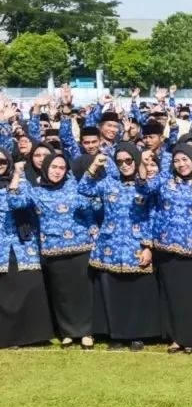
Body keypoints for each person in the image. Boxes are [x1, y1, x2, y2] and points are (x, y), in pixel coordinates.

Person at [77, 145, 161, 351]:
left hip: (136, 244)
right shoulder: (107, 183)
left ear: (135, 160)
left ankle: (137, 335)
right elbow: (84, 189)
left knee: (136, 292)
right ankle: (115, 334)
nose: (124, 165)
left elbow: (152, 216)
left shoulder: (146, 185)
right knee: (111, 290)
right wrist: (94, 166)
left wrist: (148, 246)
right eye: (120, 161)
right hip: (110, 245)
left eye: (128, 160)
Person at [8, 153, 96, 350]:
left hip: (81, 246)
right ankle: (67, 332)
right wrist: (17, 175)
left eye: (61, 168)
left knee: (83, 291)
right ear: (45, 168)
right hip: (53, 249)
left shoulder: (74, 187)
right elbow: (15, 202)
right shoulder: (37, 191)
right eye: (53, 167)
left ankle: (86, 332)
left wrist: (93, 229)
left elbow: (89, 208)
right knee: (61, 292)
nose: (57, 171)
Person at [137, 144, 192, 354]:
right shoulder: (165, 178)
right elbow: (144, 188)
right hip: (165, 247)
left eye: (185, 159)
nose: (181, 164)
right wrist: (143, 164)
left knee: (191, 295)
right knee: (171, 294)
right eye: (177, 160)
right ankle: (175, 338)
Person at [0, 149, 52, 349]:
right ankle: (7, 337)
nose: (0, 164)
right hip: (2, 245)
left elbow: (28, 205)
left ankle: (32, 335)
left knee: (29, 286)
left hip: (24, 243)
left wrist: (16, 178)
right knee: (5, 291)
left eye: (3, 160)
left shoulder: (21, 182)